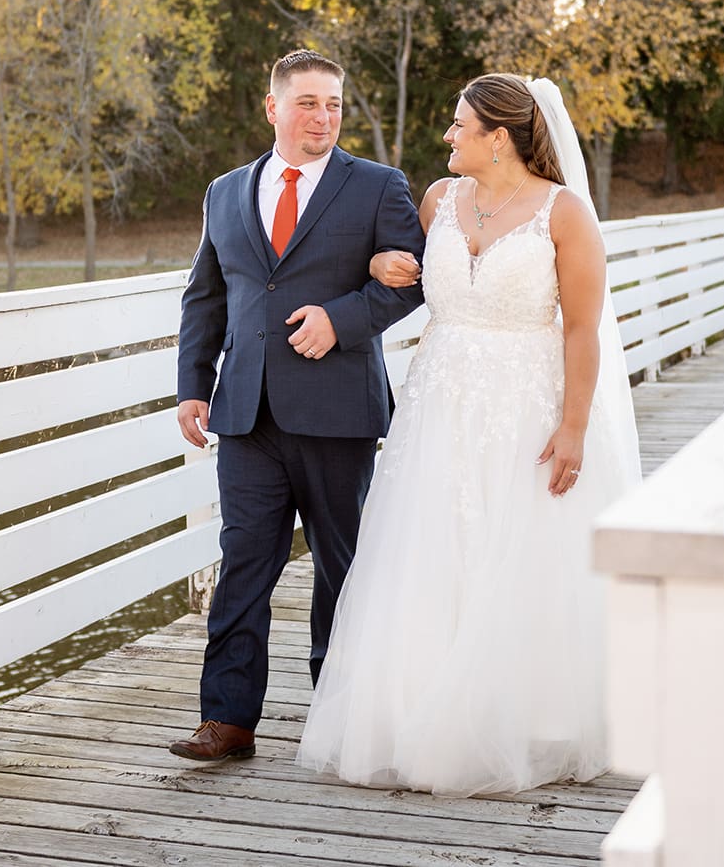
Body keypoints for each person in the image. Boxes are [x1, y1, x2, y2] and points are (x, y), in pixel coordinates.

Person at [295, 72, 642, 796]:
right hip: (439, 405)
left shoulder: (564, 214)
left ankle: (528, 718)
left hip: (529, 406)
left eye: (459, 126)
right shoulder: (438, 201)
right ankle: (414, 714)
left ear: (499, 138)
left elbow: (582, 328)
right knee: (432, 550)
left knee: (519, 552)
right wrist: (376, 262)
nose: (448, 136)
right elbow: (400, 274)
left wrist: (574, 425)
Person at [171, 49, 426, 762]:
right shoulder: (225, 191)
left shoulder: (377, 186)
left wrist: (339, 321)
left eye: (335, 103)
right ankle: (226, 720)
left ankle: (342, 713)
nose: (324, 117)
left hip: (338, 410)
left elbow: (412, 280)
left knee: (343, 567)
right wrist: (193, 384)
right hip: (245, 413)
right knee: (243, 561)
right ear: (274, 107)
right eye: (310, 103)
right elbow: (207, 294)